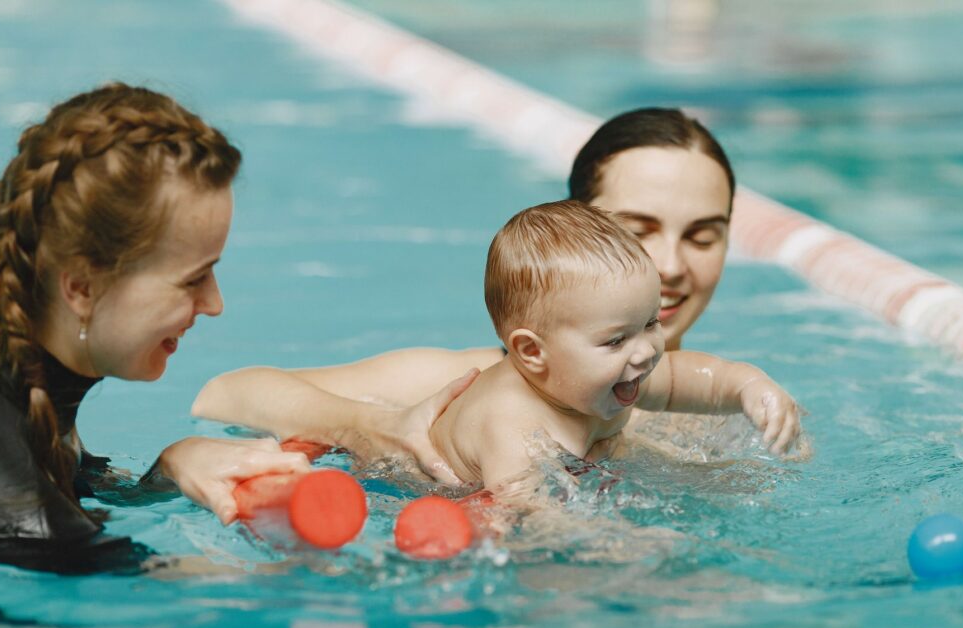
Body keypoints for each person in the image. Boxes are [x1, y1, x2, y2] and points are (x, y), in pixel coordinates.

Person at [0, 83, 467, 573]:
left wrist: (170, 467)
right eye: (192, 279)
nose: (214, 304)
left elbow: (68, 481)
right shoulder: (17, 510)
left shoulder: (5, 343)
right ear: (80, 288)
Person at [193, 108, 781, 472]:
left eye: (704, 236)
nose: (671, 265)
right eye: (636, 231)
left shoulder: (731, 411)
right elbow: (224, 395)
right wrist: (368, 428)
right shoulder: (468, 388)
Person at [429, 200, 798, 490]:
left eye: (651, 323)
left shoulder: (613, 375)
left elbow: (700, 380)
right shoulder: (511, 425)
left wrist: (749, 387)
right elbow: (533, 520)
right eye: (616, 339)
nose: (647, 351)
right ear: (532, 351)